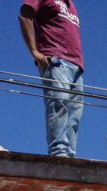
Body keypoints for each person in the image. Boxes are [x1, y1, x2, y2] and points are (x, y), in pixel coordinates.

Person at [19, 0, 83, 158]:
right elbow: (24, 15)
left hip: (76, 65)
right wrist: (35, 52)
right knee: (58, 104)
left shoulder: (71, 6)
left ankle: (70, 155)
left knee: (74, 114)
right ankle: (58, 152)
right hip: (56, 60)